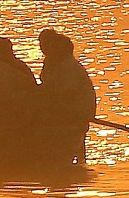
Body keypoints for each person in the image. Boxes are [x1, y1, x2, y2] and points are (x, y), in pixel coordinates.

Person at [35, 29, 98, 161]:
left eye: (46, 45)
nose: (43, 49)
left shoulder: (68, 66)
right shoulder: (51, 63)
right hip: (65, 110)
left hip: (76, 112)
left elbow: (66, 93)